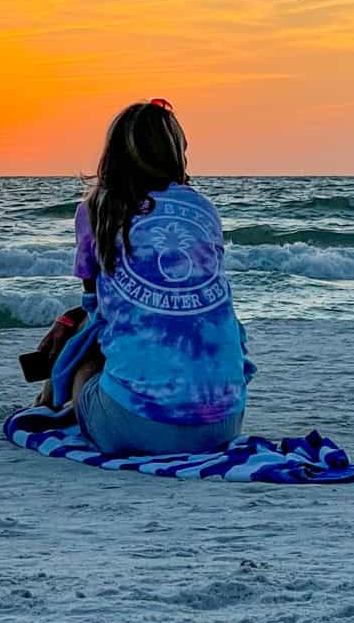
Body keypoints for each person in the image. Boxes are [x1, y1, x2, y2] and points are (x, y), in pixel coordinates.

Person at [64, 99, 254, 456]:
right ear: (177, 152)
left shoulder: (95, 210)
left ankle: (61, 401)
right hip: (223, 423)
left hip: (135, 427)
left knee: (85, 360)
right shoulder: (202, 208)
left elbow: (94, 302)